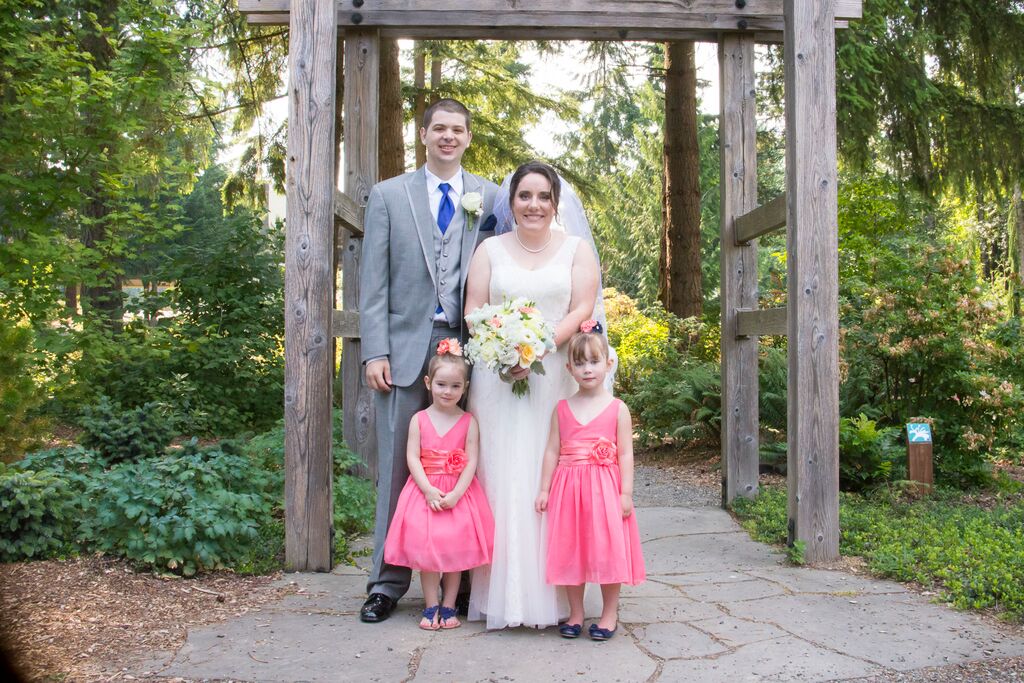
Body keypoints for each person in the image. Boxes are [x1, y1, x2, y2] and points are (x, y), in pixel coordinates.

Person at [359, 98, 499, 623]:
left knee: (466, 462)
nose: (447, 137)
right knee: (399, 465)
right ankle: (387, 583)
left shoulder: (488, 196)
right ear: (423, 134)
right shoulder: (389, 196)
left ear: (467, 137)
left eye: (457, 130)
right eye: (438, 128)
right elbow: (373, 282)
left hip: (471, 350)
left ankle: (460, 581)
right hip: (403, 349)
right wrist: (375, 349)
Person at [463, 161, 600, 629]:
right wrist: (503, 350)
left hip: (552, 377)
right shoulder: (489, 250)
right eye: (525, 196)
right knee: (502, 477)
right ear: (511, 201)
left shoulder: (577, 250)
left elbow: (582, 306)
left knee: (550, 481)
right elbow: (474, 308)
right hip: (498, 379)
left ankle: (559, 599)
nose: (534, 205)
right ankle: (502, 597)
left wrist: (538, 346)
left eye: (543, 196)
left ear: (555, 203)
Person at [535, 322, 646, 641]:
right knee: (572, 550)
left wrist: (626, 492)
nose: (587, 369)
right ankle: (576, 612)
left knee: (606, 550)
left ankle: (609, 613)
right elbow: (552, 451)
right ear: (569, 368)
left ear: (608, 363)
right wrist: (544, 488)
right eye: (580, 363)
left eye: (594, 361)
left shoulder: (617, 409)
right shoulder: (562, 409)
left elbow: (625, 454)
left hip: (605, 490)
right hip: (568, 490)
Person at [383, 341, 495, 630]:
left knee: (456, 555)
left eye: (455, 386)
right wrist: (428, 489)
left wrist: (457, 493)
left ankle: (449, 606)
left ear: (465, 387)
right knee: (429, 556)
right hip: (426, 494)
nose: (448, 391)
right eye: (442, 384)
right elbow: (412, 457)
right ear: (428, 382)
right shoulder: (419, 420)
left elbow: (470, 461)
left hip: (458, 496)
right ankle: (430, 604)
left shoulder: (469, 421)